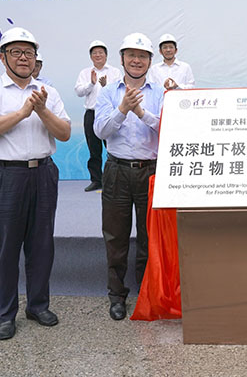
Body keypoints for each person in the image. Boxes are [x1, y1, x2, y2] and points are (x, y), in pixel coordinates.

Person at [0, 27, 71, 340]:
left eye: (29, 52)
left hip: (42, 174)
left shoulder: (47, 92)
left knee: (41, 246)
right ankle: (5, 314)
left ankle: (38, 306)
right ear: (3, 57)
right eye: (16, 52)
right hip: (3, 176)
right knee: (4, 249)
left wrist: (41, 110)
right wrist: (23, 112)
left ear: (36, 58)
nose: (23, 58)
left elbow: (64, 132)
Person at [94, 33, 165, 321]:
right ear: (122, 59)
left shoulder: (160, 93)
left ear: (150, 61)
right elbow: (100, 131)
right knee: (115, 236)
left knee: (150, 236)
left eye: (143, 56)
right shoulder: (108, 92)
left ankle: (146, 293)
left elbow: (169, 128)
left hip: (151, 171)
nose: (137, 60)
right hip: (117, 170)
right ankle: (117, 295)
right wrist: (123, 110)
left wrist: (142, 112)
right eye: (131, 55)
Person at [74, 40, 122, 192]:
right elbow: (79, 92)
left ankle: (114, 180)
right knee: (93, 149)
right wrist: (91, 83)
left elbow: (120, 92)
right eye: (94, 53)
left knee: (113, 148)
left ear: (106, 55)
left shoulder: (115, 72)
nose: (98, 55)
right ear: (91, 56)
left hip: (110, 113)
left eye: (101, 52)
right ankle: (96, 180)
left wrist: (106, 86)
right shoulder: (85, 73)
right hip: (91, 113)